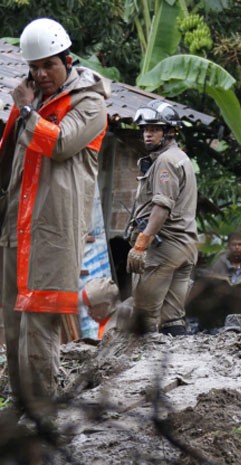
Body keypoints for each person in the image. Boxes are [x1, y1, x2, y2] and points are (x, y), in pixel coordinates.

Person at [0, 18, 110, 412]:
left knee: (39, 321)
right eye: (35, 68)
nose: (41, 74)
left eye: (49, 65)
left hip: (53, 233)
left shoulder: (90, 102)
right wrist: (24, 111)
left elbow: (60, 144)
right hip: (16, 229)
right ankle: (21, 405)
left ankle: (43, 407)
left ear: (67, 59)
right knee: (13, 323)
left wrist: (27, 111)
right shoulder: (31, 104)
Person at [126, 99, 198, 337]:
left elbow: (162, 208)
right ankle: (175, 368)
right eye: (146, 129)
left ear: (169, 132)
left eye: (155, 129)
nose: (148, 135)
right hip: (185, 247)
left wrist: (141, 243)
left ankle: (144, 371)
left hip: (163, 248)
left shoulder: (165, 162)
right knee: (172, 318)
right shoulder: (180, 157)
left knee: (144, 314)